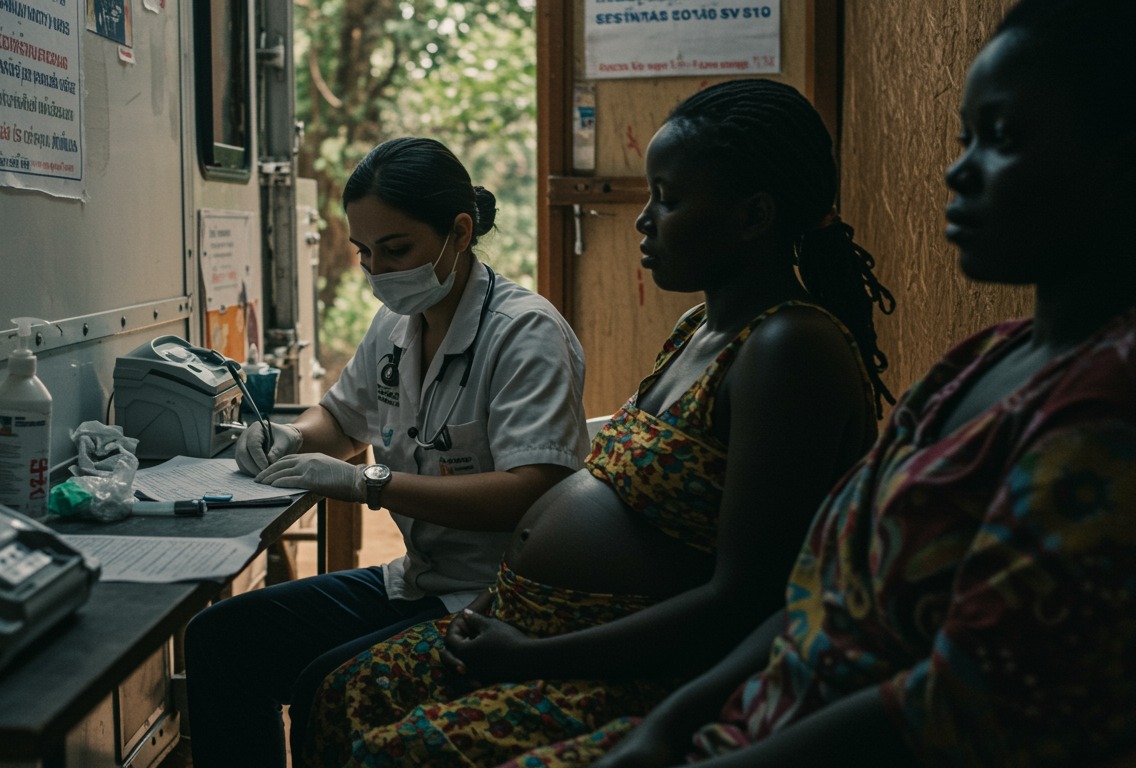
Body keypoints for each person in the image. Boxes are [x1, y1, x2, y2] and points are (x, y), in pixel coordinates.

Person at [577, 1, 1136, 765]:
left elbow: (952, 705)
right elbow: (812, 591)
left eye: (1002, 139)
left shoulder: (1107, 410)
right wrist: (665, 730)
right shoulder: (976, 361)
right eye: (964, 138)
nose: (959, 170)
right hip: (739, 722)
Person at [302, 80, 898, 767]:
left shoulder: (789, 350)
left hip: (631, 666)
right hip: (523, 619)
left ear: (754, 214)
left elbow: (746, 600)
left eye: (668, 200)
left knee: (397, 752)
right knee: (342, 694)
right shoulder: (698, 328)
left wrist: (533, 656)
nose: (644, 220)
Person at [183, 137, 590, 767]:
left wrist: (370, 483)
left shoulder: (525, 334)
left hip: (494, 598)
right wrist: (289, 437)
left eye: (396, 250)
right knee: (222, 638)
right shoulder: (397, 328)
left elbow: (533, 491)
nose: (378, 273)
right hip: (418, 581)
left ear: (459, 232)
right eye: (365, 253)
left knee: (326, 681)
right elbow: (342, 419)